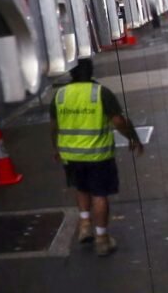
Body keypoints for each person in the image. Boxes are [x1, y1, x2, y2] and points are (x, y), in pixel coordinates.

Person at [50, 59, 144, 257]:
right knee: (99, 194)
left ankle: (85, 225)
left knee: (81, 187)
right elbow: (118, 121)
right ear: (91, 72)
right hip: (97, 155)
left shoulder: (59, 95)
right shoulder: (101, 92)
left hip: (71, 155)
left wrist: (56, 148)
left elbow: (54, 126)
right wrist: (132, 137)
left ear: (71, 73)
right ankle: (102, 239)